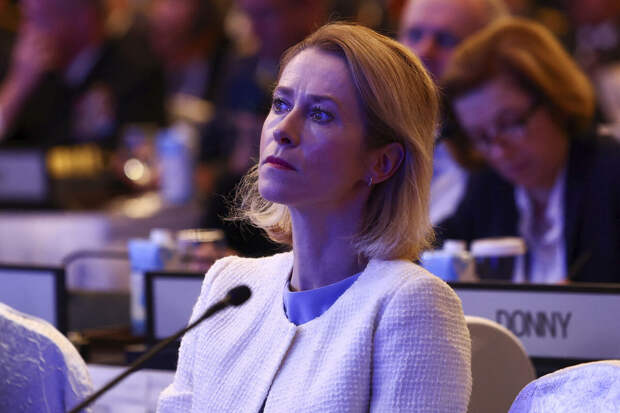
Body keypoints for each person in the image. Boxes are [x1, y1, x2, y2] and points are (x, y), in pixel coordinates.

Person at [158, 22, 471, 412]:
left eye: (320, 115)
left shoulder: (411, 303)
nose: (283, 130)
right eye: (281, 104)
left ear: (383, 161)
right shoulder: (228, 285)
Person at [438, 17, 620, 283]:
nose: (499, 152)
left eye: (510, 123)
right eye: (481, 137)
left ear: (555, 98)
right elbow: (435, 249)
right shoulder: (489, 186)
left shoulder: (611, 173)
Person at [398, 0, 507, 224]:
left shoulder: (507, 157)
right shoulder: (369, 136)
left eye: (446, 40)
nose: (423, 51)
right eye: (415, 35)